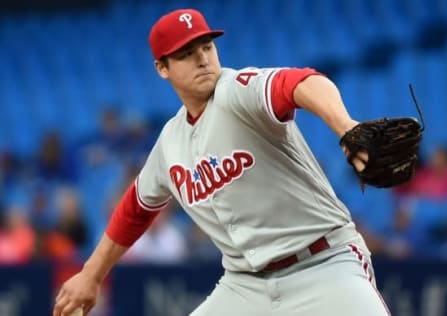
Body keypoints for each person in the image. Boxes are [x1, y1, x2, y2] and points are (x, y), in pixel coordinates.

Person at [53, 8, 390, 316]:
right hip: (246, 285)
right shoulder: (171, 141)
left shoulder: (238, 91)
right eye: (187, 54)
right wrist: (91, 275)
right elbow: (137, 208)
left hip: (323, 264)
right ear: (162, 68)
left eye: (207, 48)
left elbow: (301, 82)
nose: (202, 59)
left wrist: (346, 126)